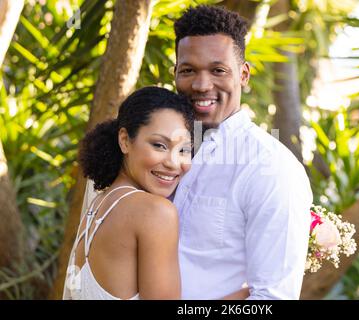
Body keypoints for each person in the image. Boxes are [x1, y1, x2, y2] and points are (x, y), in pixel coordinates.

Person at [172, 5, 313, 300]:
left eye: (218, 70)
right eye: (188, 71)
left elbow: (272, 299)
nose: (201, 85)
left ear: (244, 75)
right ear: (175, 74)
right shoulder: (157, 150)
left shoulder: (270, 167)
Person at [62, 86, 193, 300]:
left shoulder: (99, 203)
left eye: (184, 150)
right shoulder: (155, 212)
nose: (173, 163)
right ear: (124, 140)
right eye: (159, 145)